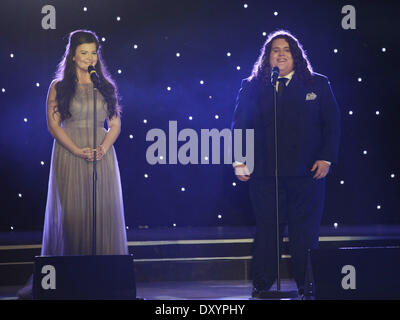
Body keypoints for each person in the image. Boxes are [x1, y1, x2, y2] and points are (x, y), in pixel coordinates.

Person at [17, 30, 128, 299]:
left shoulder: (106, 86)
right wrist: (77, 149)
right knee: (72, 216)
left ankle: (103, 281)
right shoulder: (58, 86)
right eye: (84, 53)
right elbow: (53, 125)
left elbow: (114, 124)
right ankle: (68, 281)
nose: (89, 58)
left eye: (93, 52)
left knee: (102, 215)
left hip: (101, 154)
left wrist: (103, 147)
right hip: (70, 151)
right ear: (73, 55)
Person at [231, 30, 341, 298]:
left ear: (296, 55)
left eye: (286, 49)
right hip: (265, 174)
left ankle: (307, 286)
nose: (280, 54)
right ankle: (262, 284)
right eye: (274, 50)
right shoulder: (253, 85)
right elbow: (240, 124)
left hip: (307, 173)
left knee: (305, 232)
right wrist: (239, 160)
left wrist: (326, 157)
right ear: (267, 57)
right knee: (268, 229)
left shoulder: (317, 83)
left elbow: (332, 123)